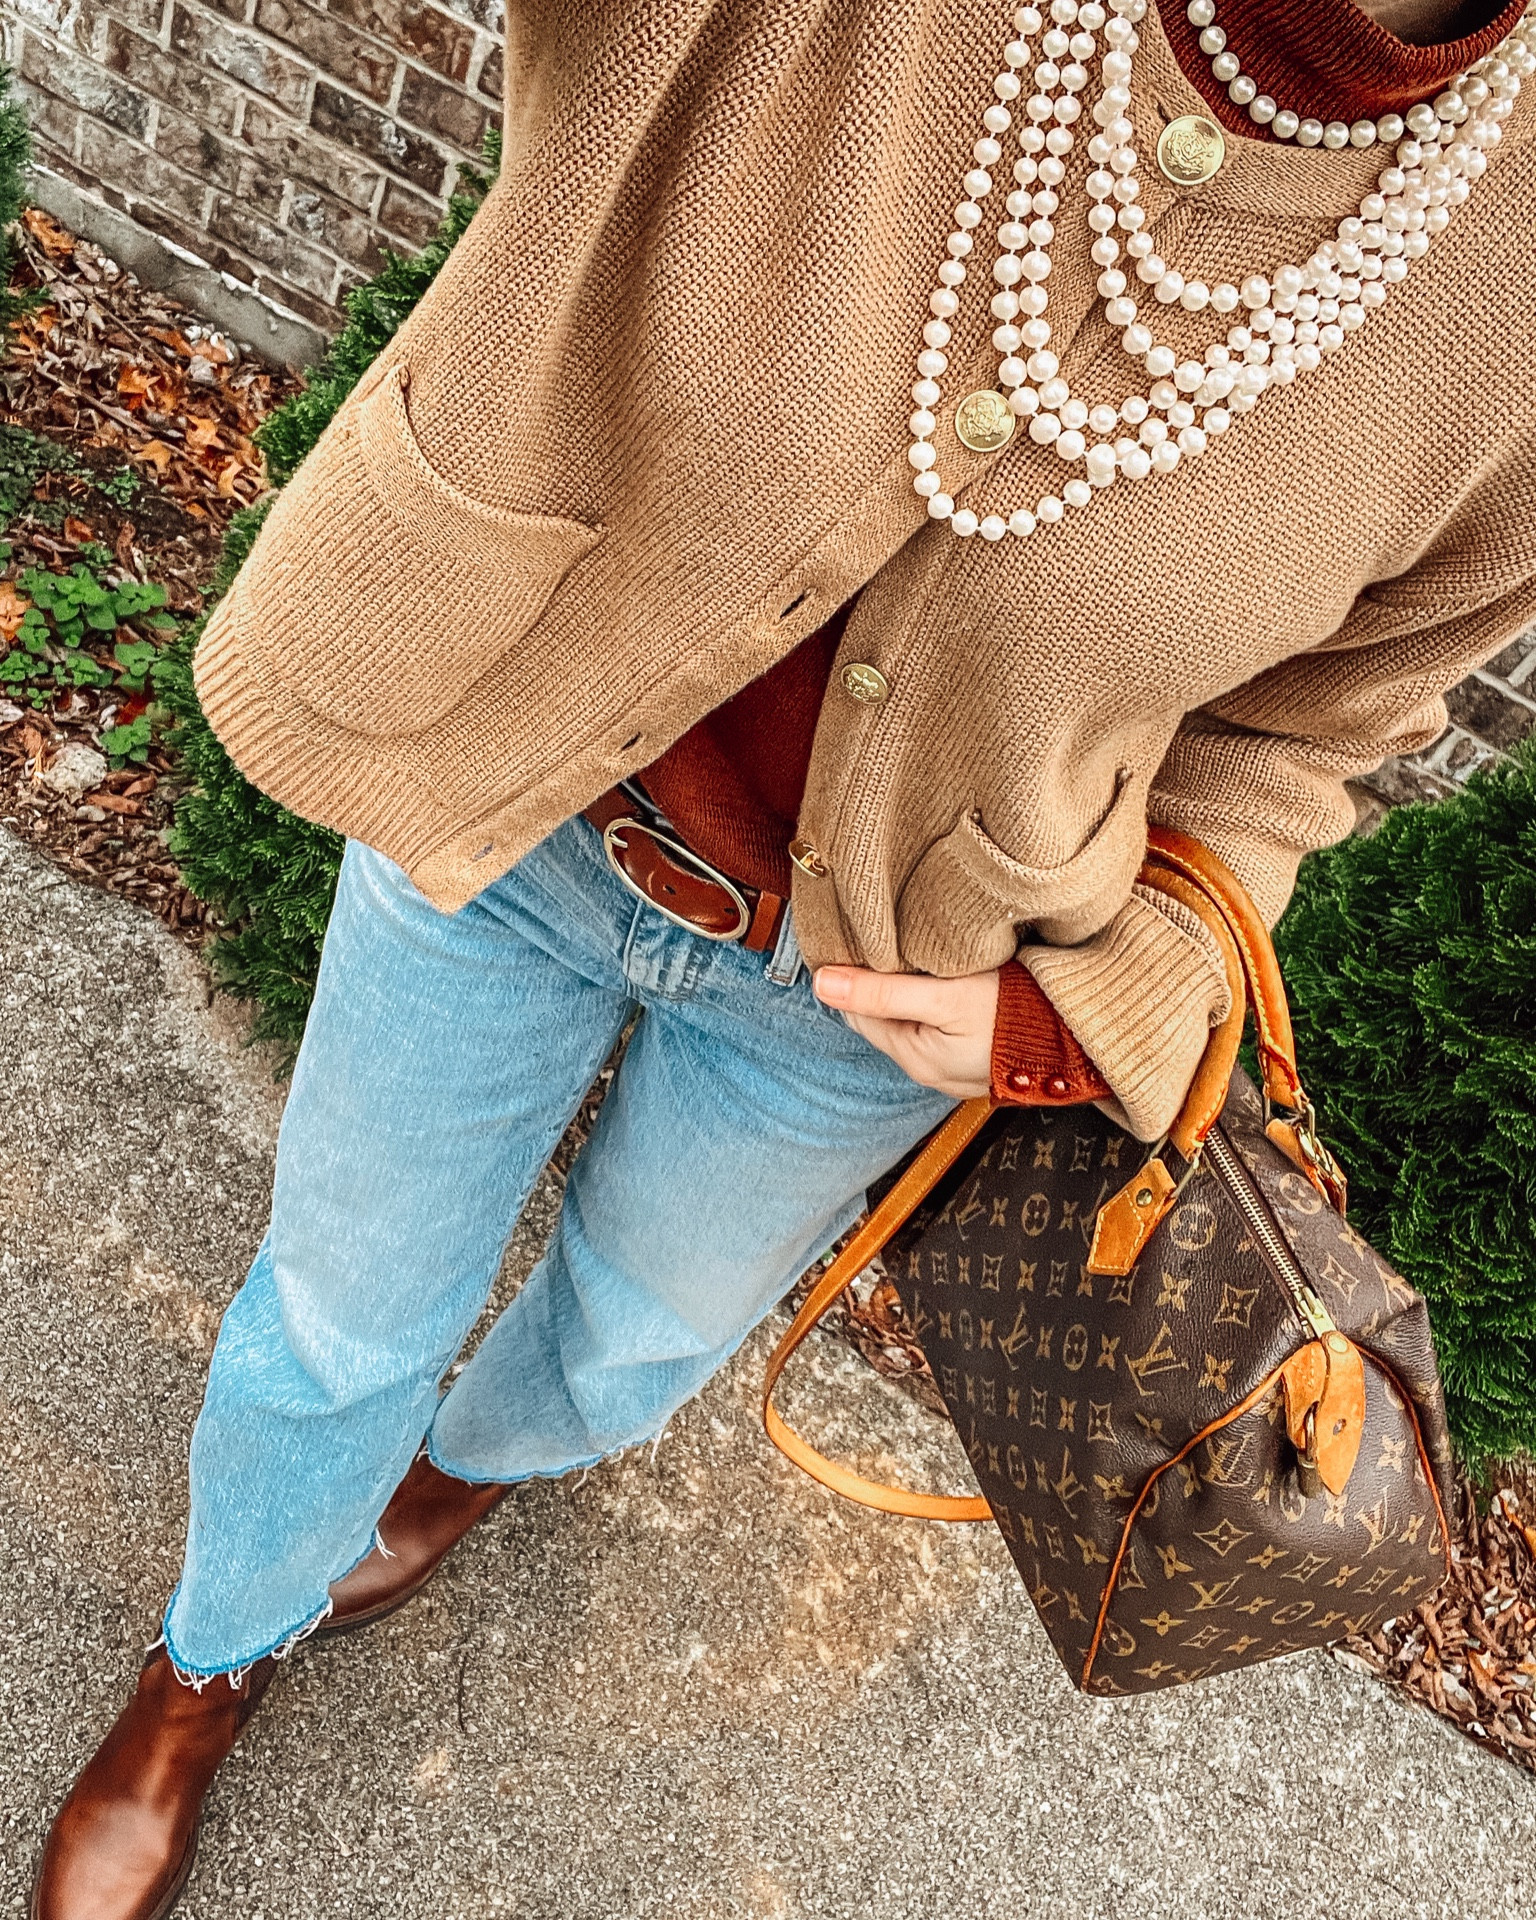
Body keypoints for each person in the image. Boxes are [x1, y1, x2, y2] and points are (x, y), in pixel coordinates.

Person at [32, 0, 1536, 1913]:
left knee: (636, 1349)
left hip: (870, 991)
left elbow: (1317, 726)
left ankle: (459, 1477)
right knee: (337, 1326)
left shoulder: (1513, 285)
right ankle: (207, 1659)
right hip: (511, 789)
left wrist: (1110, 990)